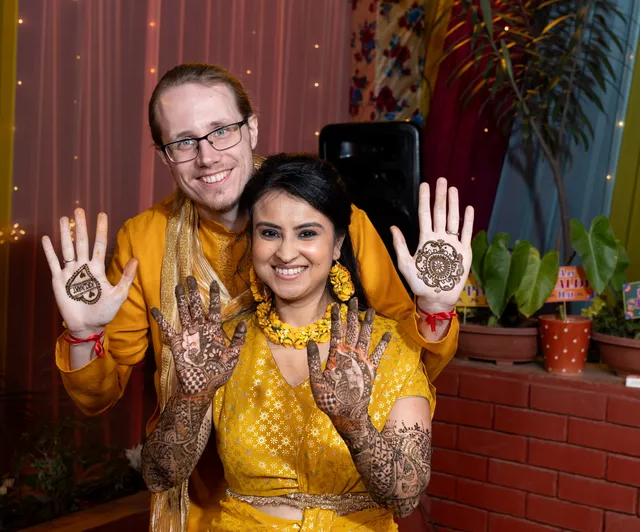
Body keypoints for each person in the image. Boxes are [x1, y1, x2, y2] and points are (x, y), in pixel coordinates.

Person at [41, 64, 473, 531]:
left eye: (220, 131)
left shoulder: (330, 213)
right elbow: (100, 399)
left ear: (251, 129)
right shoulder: (144, 241)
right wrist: (84, 335)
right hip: (200, 505)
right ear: (165, 156)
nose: (207, 157)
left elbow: (402, 359)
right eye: (183, 142)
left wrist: (434, 309)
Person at [142, 154, 472, 530]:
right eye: (269, 233)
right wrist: (192, 398)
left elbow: (405, 498)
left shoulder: (388, 345)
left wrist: (356, 425)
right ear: (251, 240)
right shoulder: (222, 346)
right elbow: (158, 476)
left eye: (307, 233)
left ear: (337, 243)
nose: (286, 253)